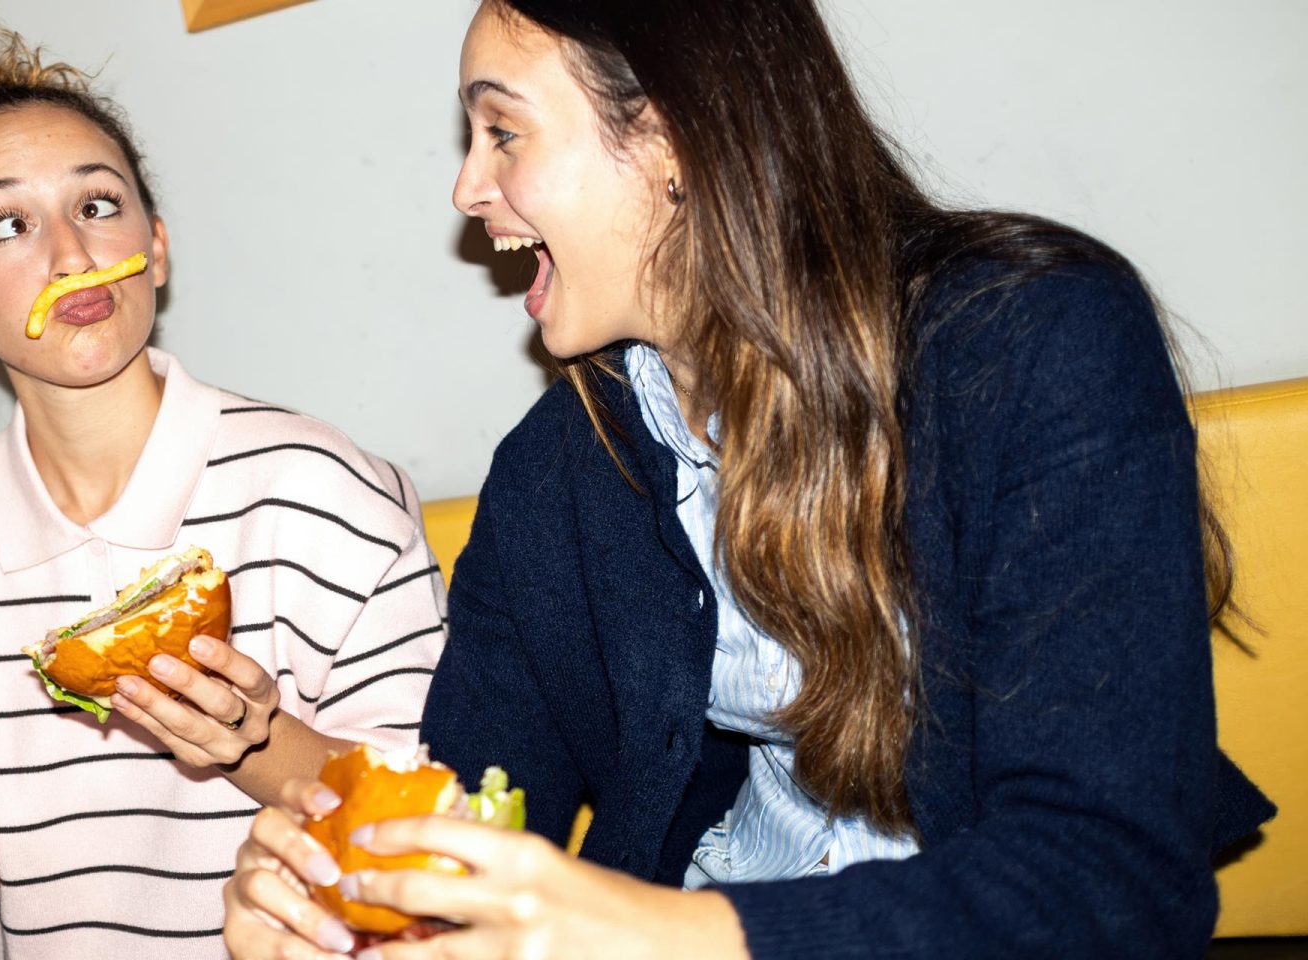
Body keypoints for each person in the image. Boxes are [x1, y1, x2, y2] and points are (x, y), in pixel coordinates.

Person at [222, 2, 1274, 958]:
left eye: (503, 131)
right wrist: (348, 897)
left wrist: (651, 933)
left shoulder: (1034, 344)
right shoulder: (558, 469)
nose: (467, 188)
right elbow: (480, 806)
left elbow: (1112, 881)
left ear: (675, 138)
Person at [0, 24, 446, 959]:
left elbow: (435, 821)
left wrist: (257, 743)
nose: (72, 255)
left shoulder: (323, 492)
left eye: (97, 205)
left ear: (155, 248)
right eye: (7, 224)